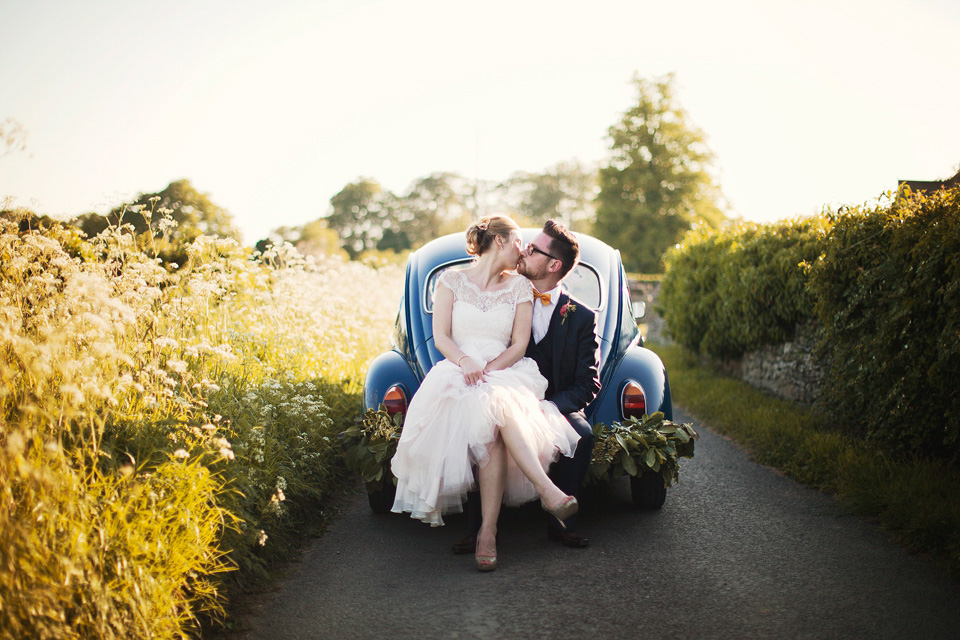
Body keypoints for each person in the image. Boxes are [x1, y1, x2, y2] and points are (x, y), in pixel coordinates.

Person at [390, 215, 582, 571]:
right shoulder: (450, 281)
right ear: (499, 241)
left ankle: (491, 530)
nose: (523, 250)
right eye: (519, 243)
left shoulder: (520, 288)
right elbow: (442, 336)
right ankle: (534, 502)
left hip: (504, 369)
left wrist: (490, 372)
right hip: (457, 371)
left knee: (494, 405)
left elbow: (520, 344)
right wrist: (465, 362)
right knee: (489, 427)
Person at [452, 220, 600, 552]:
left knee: (583, 434)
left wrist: (548, 407)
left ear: (553, 265)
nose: (524, 251)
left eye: (533, 249)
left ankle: (562, 523)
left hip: (551, 402)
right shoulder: (502, 291)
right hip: (499, 387)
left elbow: (588, 382)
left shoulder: (581, 317)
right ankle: (480, 529)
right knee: (484, 419)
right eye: (526, 244)